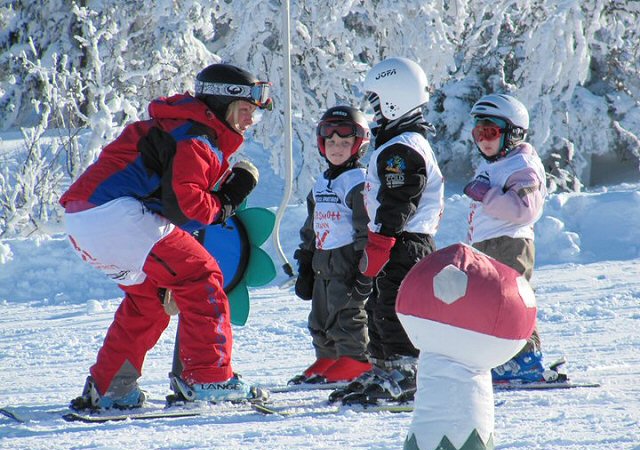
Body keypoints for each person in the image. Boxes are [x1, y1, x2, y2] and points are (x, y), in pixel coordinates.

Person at [60, 63, 273, 410]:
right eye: (246, 110)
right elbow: (187, 207)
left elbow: (172, 206)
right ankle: (209, 378)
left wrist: (221, 198)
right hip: (116, 215)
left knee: (150, 300)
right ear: (222, 106)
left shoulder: (178, 128)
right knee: (202, 275)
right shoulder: (196, 137)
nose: (250, 121)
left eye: (254, 114)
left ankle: (112, 387)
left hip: (84, 219)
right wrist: (227, 201)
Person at [331, 57, 445, 405]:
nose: (376, 112)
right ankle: (384, 367)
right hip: (397, 239)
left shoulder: (402, 148)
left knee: (395, 305)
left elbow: (399, 201)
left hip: (404, 241)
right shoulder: (397, 142)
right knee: (379, 304)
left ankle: (405, 371)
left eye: (378, 102)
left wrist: (381, 242)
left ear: (396, 97)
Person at [464, 93, 551, 382]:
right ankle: (503, 358)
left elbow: (526, 210)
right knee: (490, 304)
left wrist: (487, 194)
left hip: (510, 244)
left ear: (513, 133)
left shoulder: (522, 165)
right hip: (488, 245)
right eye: (479, 132)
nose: (483, 139)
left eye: (491, 132)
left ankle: (525, 359)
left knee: (513, 302)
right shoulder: (495, 163)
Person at [289, 106, 373, 385]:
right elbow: (312, 225)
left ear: (358, 146)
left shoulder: (358, 181)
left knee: (346, 310)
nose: (337, 148)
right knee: (321, 313)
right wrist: (305, 260)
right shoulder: (321, 182)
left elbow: (365, 226)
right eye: (331, 142)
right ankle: (328, 356)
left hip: (347, 259)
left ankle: (354, 359)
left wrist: (364, 263)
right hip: (322, 259)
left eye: (345, 143)